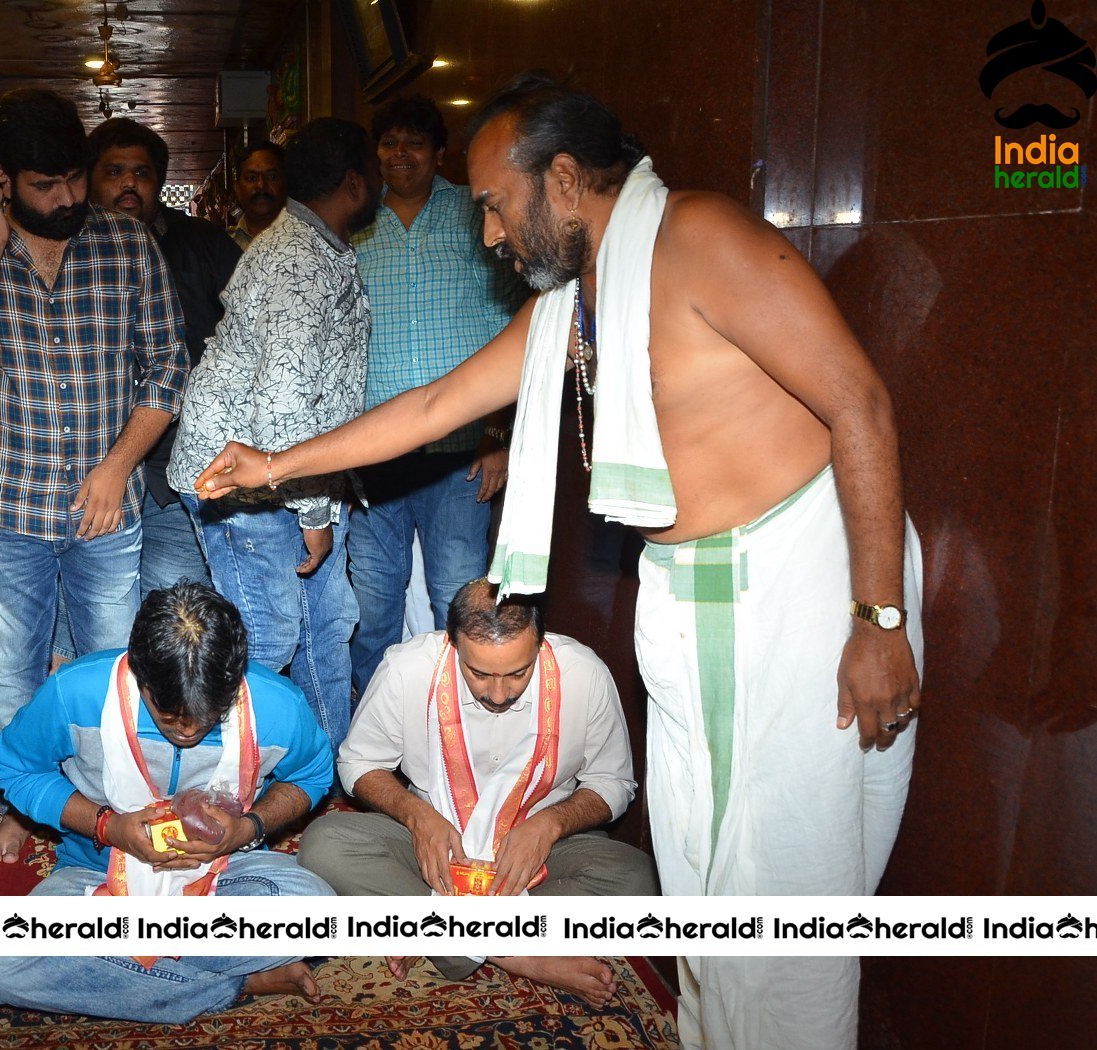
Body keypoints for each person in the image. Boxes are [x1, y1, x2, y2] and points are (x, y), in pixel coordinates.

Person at [195, 73, 924, 1050]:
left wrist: (877, 618)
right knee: (705, 872)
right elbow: (429, 410)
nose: (491, 235)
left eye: (495, 203)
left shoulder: (702, 241)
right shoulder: (573, 308)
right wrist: (275, 464)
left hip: (798, 589)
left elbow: (860, 406)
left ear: (566, 180)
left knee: (781, 885)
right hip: (693, 600)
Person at [0, 87, 186, 863]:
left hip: (109, 507)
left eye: (75, 178)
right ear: (0, 179)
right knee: (14, 672)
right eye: (43, 185)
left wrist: (117, 468)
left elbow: (168, 367)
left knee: (109, 665)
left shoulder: (126, 244)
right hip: (6, 502)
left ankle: (109, 806)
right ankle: (27, 809)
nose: (67, 198)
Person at [0, 581, 333, 1023]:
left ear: (234, 684)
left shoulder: (276, 703)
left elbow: (313, 775)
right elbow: (15, 768)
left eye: (207, 717)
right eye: (169, 717)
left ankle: (137, 971)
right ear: (139, 676)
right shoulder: (77, 692)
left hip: (225, 871)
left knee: (319, 912)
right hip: (99, 873)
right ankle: (235, 982)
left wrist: (249, 828)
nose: (187, 731)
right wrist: (107, 826)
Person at [300, 578, 656, 1003]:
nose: (499, 694)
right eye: (480, 673)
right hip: (436, 848)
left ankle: (434, 934)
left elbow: (613, 782)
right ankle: (521, 957)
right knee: (324, 845)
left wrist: (550, 824)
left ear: (541, 645)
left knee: (638, 879)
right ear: (452, 645)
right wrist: (417, 816)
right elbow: (358, 764)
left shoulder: (584, 674)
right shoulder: (407, 668)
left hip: (536, 855)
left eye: (518, 673)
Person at [168, 118, 381, 752]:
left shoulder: (315, 246)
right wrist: (314, 507)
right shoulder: (295, 259)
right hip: (245, 483)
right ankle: (242, 779)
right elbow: (283, 406)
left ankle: (323, 765)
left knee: (327, 622)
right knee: (266, 635)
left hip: (292, 478)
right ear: (354, 182)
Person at [347, 95, 522, 692]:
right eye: (389, 143)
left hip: (463, 452)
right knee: (374, 608)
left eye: (414, 143)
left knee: (461, 600)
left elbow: (512, 331)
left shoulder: (474, 215)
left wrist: (499, 436)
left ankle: (461, 726)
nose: (401, 155)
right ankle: (374, 736)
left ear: (439, 153)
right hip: (376, 454)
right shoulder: (356, 222)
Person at [87, 117, 241, 596]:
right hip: (89, 462)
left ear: (160, 182)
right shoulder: (68, 250)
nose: (129, 183)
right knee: (91, 625)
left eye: (142, 172)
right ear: (89, 180)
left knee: (173, 612)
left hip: (177, 465)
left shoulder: (206, 244)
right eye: (114, 172)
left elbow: (248, 338)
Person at [227, 141, 285, 249]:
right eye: (251, 178)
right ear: (237, 188)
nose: (261, 185)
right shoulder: (222, 246)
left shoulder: (309, 240)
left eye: (272, 176)